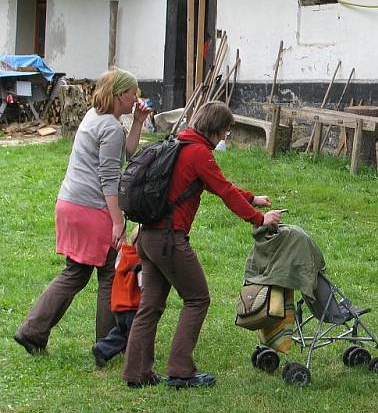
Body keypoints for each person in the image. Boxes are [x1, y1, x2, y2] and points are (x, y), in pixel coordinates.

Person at [122, 101, 281, 389]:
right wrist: (259, 219)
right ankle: (181, 370)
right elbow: (224, 192)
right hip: (169, 240)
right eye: (225, 131)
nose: (224, 137)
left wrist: (251, 197)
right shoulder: (199, 154)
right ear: (216, 129)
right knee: (197, 299)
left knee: (151, 305)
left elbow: (220, 185)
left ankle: (136, 372)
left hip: (147, 237)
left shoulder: (178, 144)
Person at [14, 69, 151, 355]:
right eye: (133, 93)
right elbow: (109, 178)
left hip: (70, 203)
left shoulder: (96, 117)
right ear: (119, 95)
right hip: (92, 209)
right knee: (108, 274)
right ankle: (107, 344)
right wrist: (117, 222)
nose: (136, 98)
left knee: (75, 273)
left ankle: (32, 331)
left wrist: (137, 122)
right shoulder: (110, 127)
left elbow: (126, 153)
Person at [92, 228, 143, 367]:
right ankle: (136, 361)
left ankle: (102, 349)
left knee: (121, 332)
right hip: (132, 307)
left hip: (118, 307)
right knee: (137, 334)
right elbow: (143, 286)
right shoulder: (139, 264)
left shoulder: (123, 256)